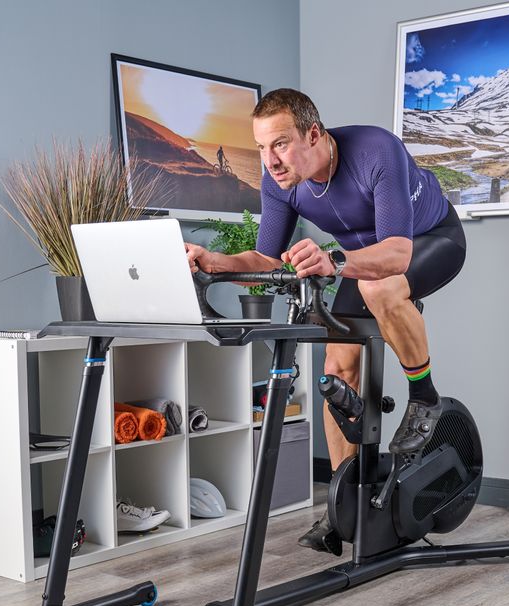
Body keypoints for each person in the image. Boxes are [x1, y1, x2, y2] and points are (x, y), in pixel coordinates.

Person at [184, 88, 467, 555]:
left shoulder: (376, 151)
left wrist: (333, 258)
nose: (269, 160)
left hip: (428, 239)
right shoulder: (279, 181)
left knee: (380, 287)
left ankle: (425, 397)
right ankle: (343, 508)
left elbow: (397, 253)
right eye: (260, 147)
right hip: (355, 259)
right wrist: (213, 261)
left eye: (279, 143)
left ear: (314, 134)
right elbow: (262, 258)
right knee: (336, 375)